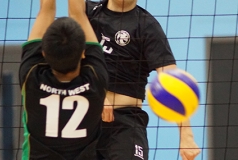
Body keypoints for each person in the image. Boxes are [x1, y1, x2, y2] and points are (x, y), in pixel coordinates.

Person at [85, 0, 201, 160]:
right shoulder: (87, 12)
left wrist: (186, 135)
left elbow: (172, 81)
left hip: (125, 124)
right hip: (83, 117)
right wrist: (99, 95)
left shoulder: (147, 26)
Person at [19, 0, 108, 159]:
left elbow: (46, 11)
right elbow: (78, 13)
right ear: (83, 53)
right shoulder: (96, 79)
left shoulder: (31, 77)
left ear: (44, 54)